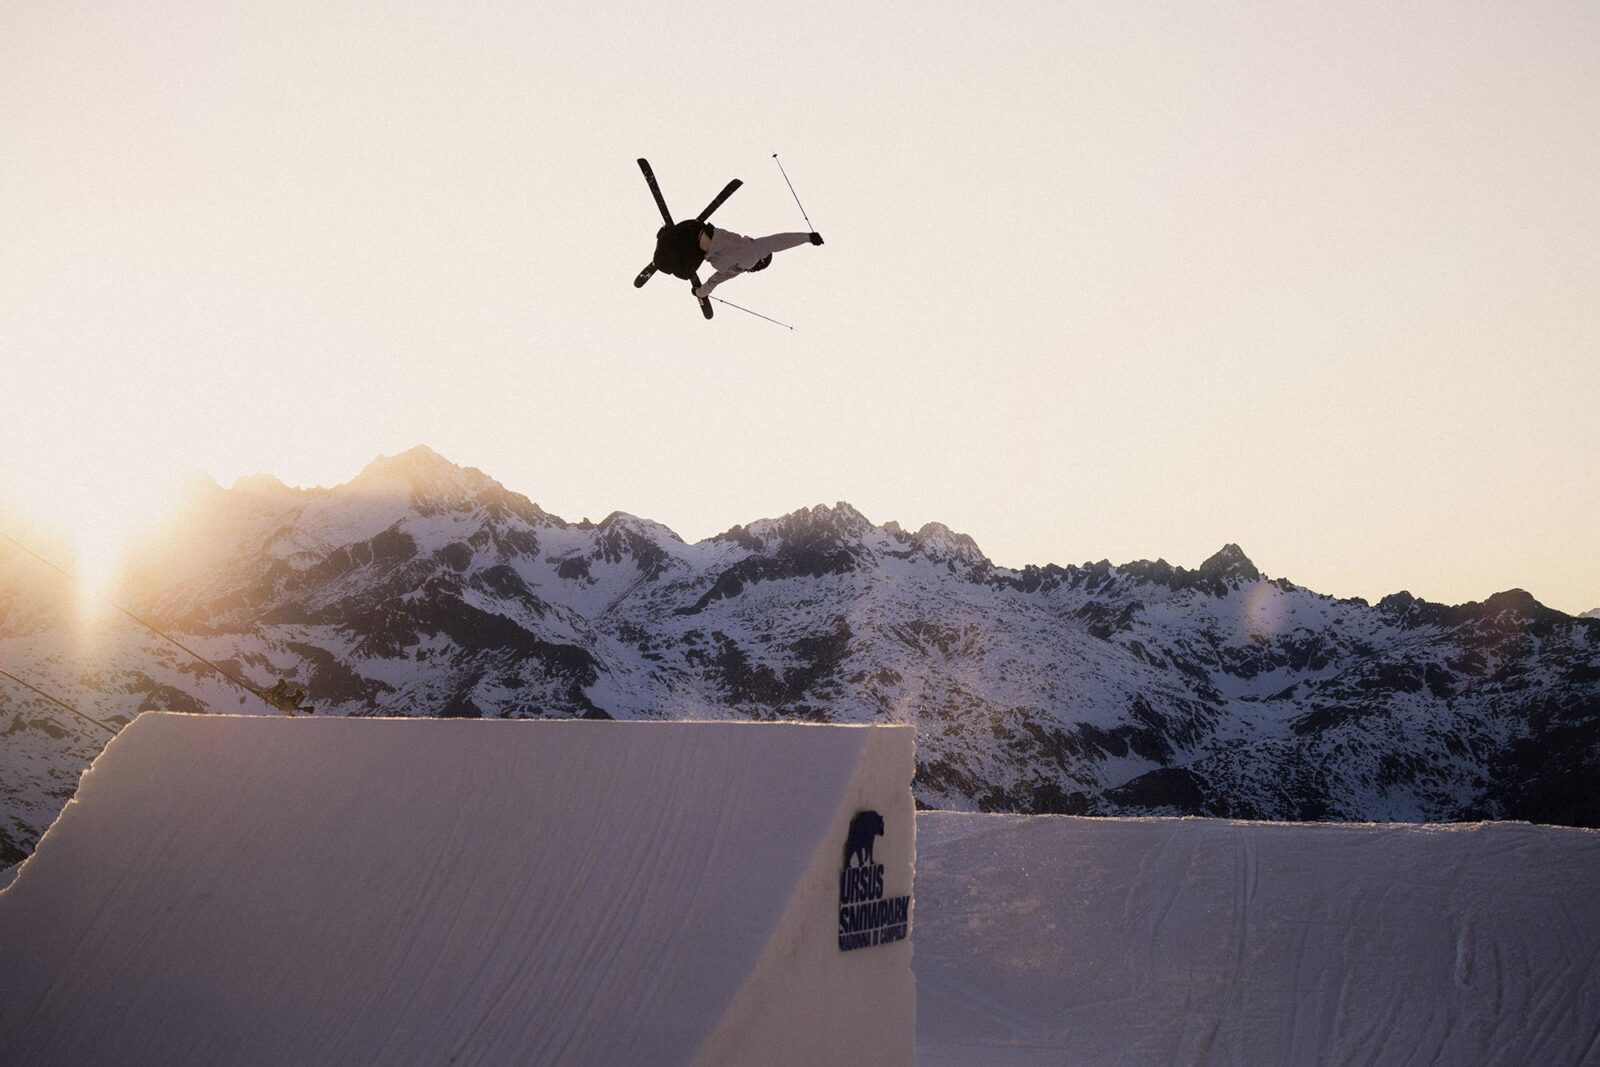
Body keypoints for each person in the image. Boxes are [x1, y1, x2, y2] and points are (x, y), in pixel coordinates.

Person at [653, 222, 823, 299]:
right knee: (680, 268)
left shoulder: (734, 271)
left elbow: (713, 282)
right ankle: (667, 234)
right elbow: (777, 242)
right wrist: (808, 237)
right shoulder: (755, 250)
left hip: (692, 250)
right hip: (693, 232)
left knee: (677, 270)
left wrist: (699, 293)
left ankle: (664, 238)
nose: (754, 270)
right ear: (761, 261)